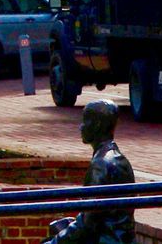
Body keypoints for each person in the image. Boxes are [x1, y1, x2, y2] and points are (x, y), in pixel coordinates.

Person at [42, 98, 133, 244]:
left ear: (96, 125)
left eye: (85, 121)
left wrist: (53, 243)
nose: (81, 127)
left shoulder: (100, 165)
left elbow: (87, 224)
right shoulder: (120, 159)